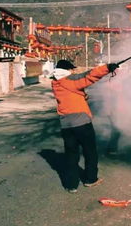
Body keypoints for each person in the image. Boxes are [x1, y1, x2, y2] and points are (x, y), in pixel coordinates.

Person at [51, 60, 119, 193]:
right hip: (81, 123)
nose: (74, 71)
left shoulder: (56, 82)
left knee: (71, 155)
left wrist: (83, 95)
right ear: (67, 70)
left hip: (66, 124)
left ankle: (71, 185)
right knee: (90, 152)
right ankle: (90, 179)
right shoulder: (69, 80)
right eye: (72, 69)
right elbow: (88, 76)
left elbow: (73, 93)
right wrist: (107, 68)